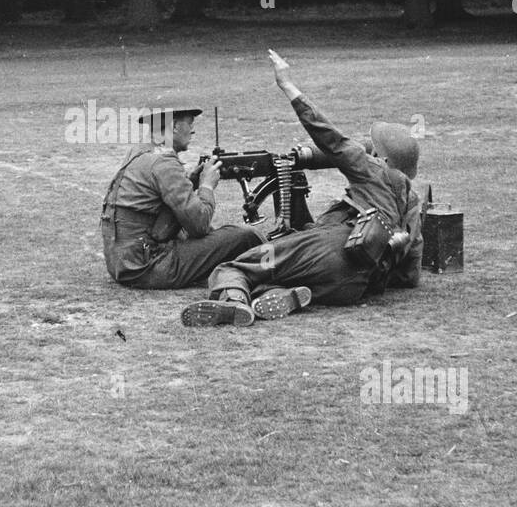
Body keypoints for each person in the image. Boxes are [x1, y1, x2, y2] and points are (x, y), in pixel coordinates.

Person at [181, 50, 423, 327]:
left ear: (384, 159)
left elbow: (329, 137)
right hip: (354, 285)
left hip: (332, 249)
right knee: (280, 273)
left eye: (373, 148)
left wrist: (287, 84)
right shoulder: (412, 202)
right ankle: (286, 295)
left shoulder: (373, 171)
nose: (367, 150)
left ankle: (232, 302)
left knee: (235, 267)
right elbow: (410, 275)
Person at [100, 103, 265, 290]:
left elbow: (155, 203)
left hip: (123, 263)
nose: (192, 131)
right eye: (190, 124)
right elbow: (199, 225)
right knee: (246, 236)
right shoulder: (164, 162)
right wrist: (206, 186)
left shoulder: (140, 151)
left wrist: (191, 181)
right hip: (148, 267)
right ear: (176, 127)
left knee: (222, 237)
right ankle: (276, 274)